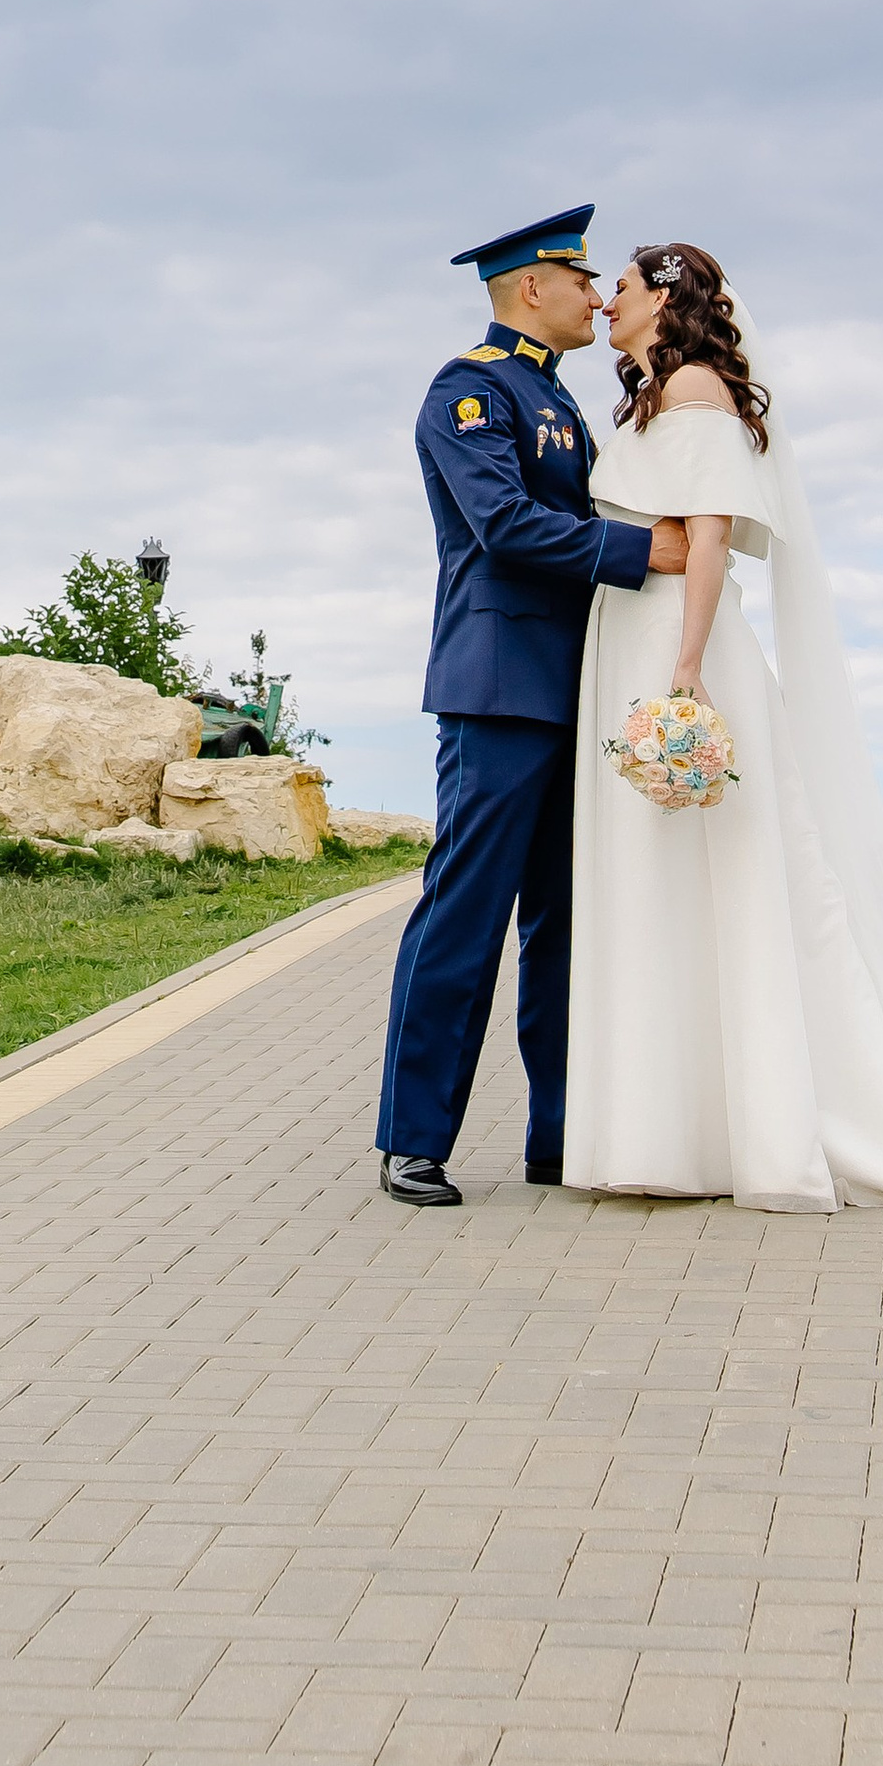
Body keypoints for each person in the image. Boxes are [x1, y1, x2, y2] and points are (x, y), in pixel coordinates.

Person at [563, 242, 883, 1210]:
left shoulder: (697, 389)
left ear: (663, 298)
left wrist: (686, 667)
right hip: (642, 641)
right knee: (665, 885)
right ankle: (675, 1132)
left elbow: (707, 533)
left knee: (732, 884)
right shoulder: (658, 395)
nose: (604, 303)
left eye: (618, 287)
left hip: (676, 645)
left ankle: (749, 1127)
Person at [373, 205, 685, 1208]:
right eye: (580, 279)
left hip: (574, 688)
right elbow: (504, 526)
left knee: (564, 923)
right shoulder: (469, 390)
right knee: (465, 912)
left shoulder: (554, 397)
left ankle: (559, 1134)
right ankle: (414, 1138)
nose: (598, 297)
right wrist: (647, 555)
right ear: (531, 287)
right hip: (497, 687)